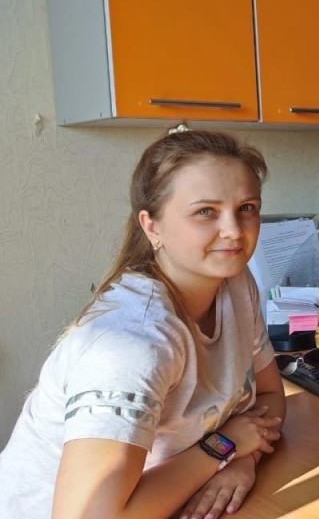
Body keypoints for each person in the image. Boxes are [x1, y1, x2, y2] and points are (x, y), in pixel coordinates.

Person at [0, 128, 286, 519]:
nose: (234, 231)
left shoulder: (234, 282)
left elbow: (269, 397)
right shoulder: (133, 343)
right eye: (206, 211)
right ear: (152, 226)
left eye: (247, 207)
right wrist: (223, 446)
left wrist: (241, 461)